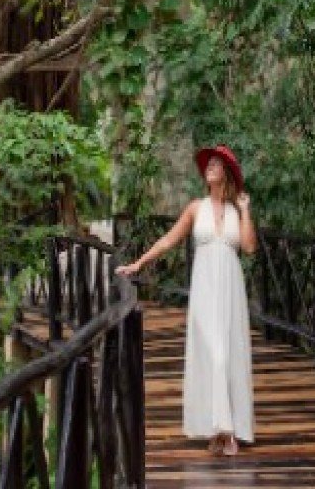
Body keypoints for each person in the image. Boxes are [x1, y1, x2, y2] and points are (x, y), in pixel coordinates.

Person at [116, 145, 256, 456]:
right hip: (205, 288)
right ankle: (221, 428)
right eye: (209, 165)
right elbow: (169, 239)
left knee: (229, 354)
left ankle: (225, 430)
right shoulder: (195, 208)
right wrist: (139, 263)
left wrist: (246, 210)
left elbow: (248, 247)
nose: (210, 168)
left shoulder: (236, 211)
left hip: (230, 288)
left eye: (216, 165)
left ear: (226, 174)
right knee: (213, 355)